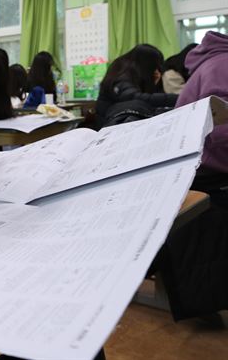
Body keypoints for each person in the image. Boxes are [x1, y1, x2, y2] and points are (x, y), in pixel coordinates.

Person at [153, 31, 228, 322]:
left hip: (198, 164)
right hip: (206, 169)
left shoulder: (212, 64)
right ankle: (206, 294)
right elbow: (220, 133)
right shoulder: (222, 65)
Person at [94, 44, 177, 129]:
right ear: (147, 64)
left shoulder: (127, 70)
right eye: (155, 67)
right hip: (109, 125)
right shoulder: (122, 75)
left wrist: (154, 83)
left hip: (116, 122)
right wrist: (178, 98)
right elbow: (135, 99)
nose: (156, 70)